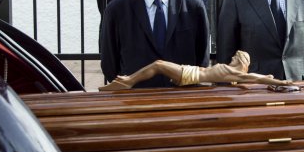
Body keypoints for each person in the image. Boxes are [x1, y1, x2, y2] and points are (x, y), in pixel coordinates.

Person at [99, 50, 292, 90]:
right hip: (190, 71)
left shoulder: (234, 73)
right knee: (158, 65)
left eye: (236, 56)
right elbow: (257, 77)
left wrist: (279, 82)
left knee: (158, 65)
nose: (232, 57)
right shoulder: (232, 73)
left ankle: (128, 81)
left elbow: (256, 79)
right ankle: (127, 81)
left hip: (188, 75)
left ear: (240, 61)